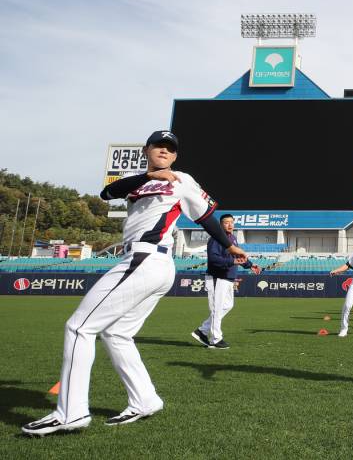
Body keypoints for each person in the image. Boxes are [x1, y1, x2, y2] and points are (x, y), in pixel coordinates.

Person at [22, 130, 247, 436]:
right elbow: (107, 193)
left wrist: (230, 245)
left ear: (176, 155)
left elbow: (206, 217)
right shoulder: (136, 180)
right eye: (159, 146)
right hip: (146, 263)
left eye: (170, 148)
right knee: (116, 333)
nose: (165, 151)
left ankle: (70, 413)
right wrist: (149, 176)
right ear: (147, 150)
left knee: (79, 327)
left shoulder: (182, 180)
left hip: (148, 259)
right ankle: (145, 400)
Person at [191, 214, 261, 350]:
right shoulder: (216, 239)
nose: (230, 225)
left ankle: (202, 331)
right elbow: (213, 260)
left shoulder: (233, 239)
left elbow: (238, 256)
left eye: (231, 222)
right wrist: (232, 261)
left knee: (228, 305)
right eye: (226, 222)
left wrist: (250, 265)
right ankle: (216, 339)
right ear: (220, 225)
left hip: (228, 277)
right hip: (217, 277)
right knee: (216, 309)